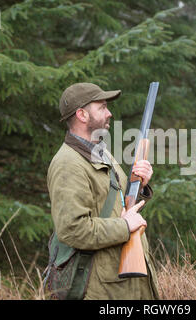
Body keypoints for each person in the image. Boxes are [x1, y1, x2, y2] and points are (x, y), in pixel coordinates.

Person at [47, 82, 159, 300]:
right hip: (102, 289)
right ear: (82, 114)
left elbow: (121, 205)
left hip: (124, 283)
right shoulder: (68, 164)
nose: (109, 113)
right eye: (102, 107)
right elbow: (73, 229)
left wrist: (141, 186)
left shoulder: (100, 152)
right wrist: (125, 226)